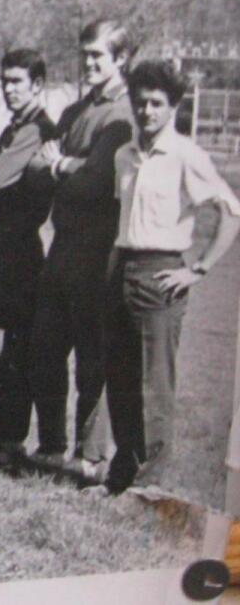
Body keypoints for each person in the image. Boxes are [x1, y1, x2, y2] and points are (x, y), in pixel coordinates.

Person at [103, 60, 240, 496]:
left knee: (154, 384)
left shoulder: (186, 155)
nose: (146, 111)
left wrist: (197, 268)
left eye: (156, 103)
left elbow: (232, 213)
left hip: (161, 273)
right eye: (140, 102)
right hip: (121, 267)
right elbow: (122, 218)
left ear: (174, 106)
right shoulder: (124, 155)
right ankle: (122, 473)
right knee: (120, 376)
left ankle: (151, 483)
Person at [26, 19, 134, 483]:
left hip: (99, 246)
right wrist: (67, 167)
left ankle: (89, 455)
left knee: (92, 356)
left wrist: (62, 165)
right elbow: (35, 170)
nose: (88, 63)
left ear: (121, 59)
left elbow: (99, 181)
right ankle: (51, 446)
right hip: (63, 242)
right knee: (45, 346)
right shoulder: (73, 111)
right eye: (84, 54)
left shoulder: (124, 114)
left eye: (98, 56)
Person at [0, 49, 57, 471]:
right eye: (5, 81)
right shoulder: (15, 126)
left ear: (37, 85)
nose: (9, 89)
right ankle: (5, 434)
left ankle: (15, 441)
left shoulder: (38, 128)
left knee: (13, 349)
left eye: (18, 82)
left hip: (18, 250)